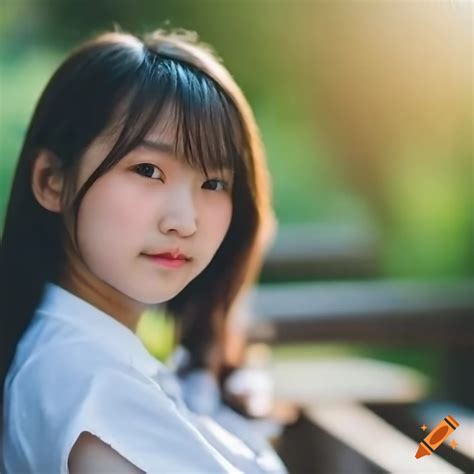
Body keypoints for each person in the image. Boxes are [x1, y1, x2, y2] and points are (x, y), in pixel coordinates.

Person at [0, 27, 287, 473]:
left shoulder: (89, 357)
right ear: (51, 180)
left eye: (214, 183)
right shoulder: (93, 386)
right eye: (148, 170)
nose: (184, 221)